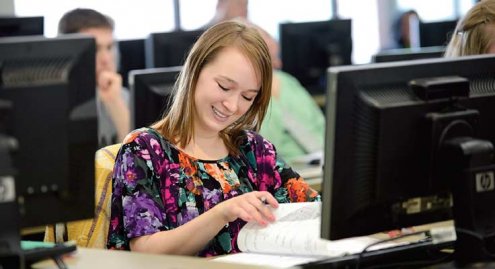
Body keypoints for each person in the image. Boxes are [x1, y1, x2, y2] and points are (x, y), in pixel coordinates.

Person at [106, 20, 320, 256]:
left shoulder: (254, 150)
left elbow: (314, 209)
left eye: (248, 97)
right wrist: (222, 213)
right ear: (195, 70)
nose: (232, 106)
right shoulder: (144, 150)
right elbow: (145, 252)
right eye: (224, 87)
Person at [58, 8, 130, 146]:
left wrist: (116, 105)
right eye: (95, 49)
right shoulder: (53, 104)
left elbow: (142, 162)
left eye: (109, 47)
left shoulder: (123, 97)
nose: (106, 59)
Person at [255, 25, 325, 164]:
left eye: (277, 56)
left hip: (322, 160)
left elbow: (320, 124)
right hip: (284, 170)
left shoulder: (288, 81)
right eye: (271, 59)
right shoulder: (246, 94)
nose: (279, 63)